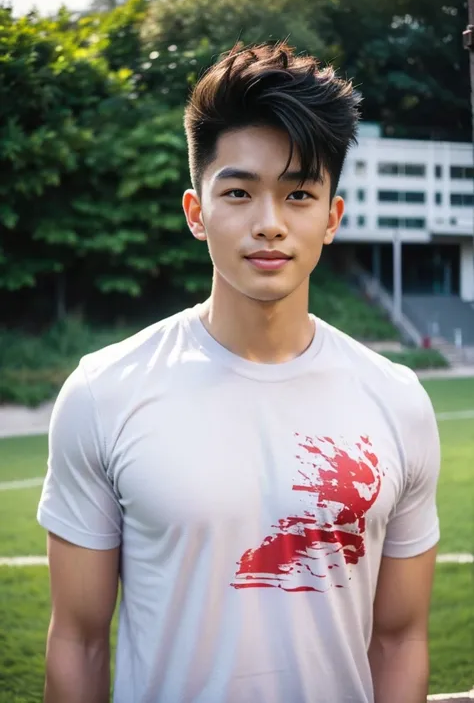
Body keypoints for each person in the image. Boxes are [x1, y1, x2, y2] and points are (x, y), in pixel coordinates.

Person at [37, 42, 440, 703]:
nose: (270, 223)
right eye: (240, 191)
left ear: (332, 218)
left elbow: (400, 640)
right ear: (197, 212)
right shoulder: (104, 393)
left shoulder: (396, 401)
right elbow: (77, 641)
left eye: (300, 193)